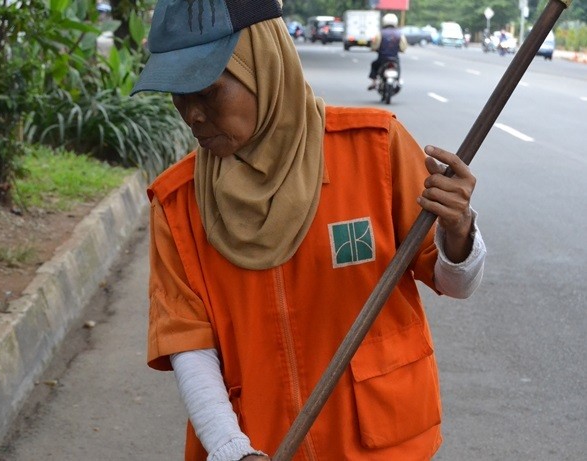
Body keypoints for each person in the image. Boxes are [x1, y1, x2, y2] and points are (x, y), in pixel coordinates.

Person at [131, 0, 486, 459]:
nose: (192, 114)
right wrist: (229, 447)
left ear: (266, 65)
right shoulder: (177, 203)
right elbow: (188, 342)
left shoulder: (375, 148)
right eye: (179, 94)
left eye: (208, 90)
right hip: (258, 444)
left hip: (381, 443)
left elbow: (454, 283)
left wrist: (459, 232)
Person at [368, 13, 407, 90]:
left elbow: (375, 45)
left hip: (382, 58)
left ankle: (374, 81)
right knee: (398, 66)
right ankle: (398, 79)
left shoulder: (380, 33)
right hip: (394, 58)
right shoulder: (399, 33)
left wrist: (373, 49)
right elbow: (403, 46)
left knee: (374, 64)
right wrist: (401, 50)